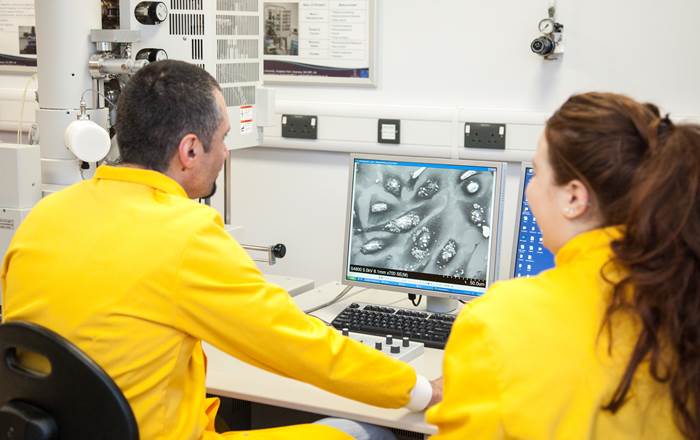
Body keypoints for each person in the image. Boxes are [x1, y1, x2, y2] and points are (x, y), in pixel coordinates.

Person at [1, 60, 440, 440]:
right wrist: (416, 388)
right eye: (225, 136)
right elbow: (296, 344)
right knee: (369, 432)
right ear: (190, 149)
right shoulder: (185, 234)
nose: (227, 151)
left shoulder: (46, 215)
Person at [426, 92, 699, 438]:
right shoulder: (683, 299)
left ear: (573, 198)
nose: (530, 190)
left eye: (537, 173)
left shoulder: (498, 319)